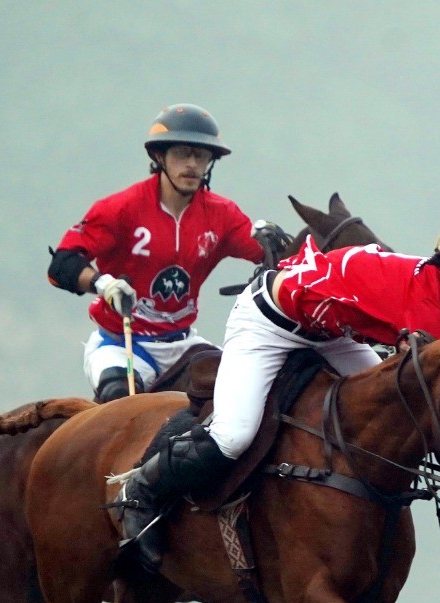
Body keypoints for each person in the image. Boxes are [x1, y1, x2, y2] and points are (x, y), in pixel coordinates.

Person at [118, 209, 440, 570]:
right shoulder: (424, 305)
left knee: (394, 414)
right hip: (269, 322)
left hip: (331, 334)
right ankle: (142, 489)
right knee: (233, 434)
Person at [46, 104, 289, 401]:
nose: (191, 164)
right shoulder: (121, 208)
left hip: (184, 346)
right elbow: (62, 265)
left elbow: (276, 260)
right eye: (181, 154)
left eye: (200, 156)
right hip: (121, 343)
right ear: (160, 157)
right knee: (118, 398)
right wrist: (103, 284)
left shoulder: (223, 215)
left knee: (250, 393)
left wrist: (279, 245)